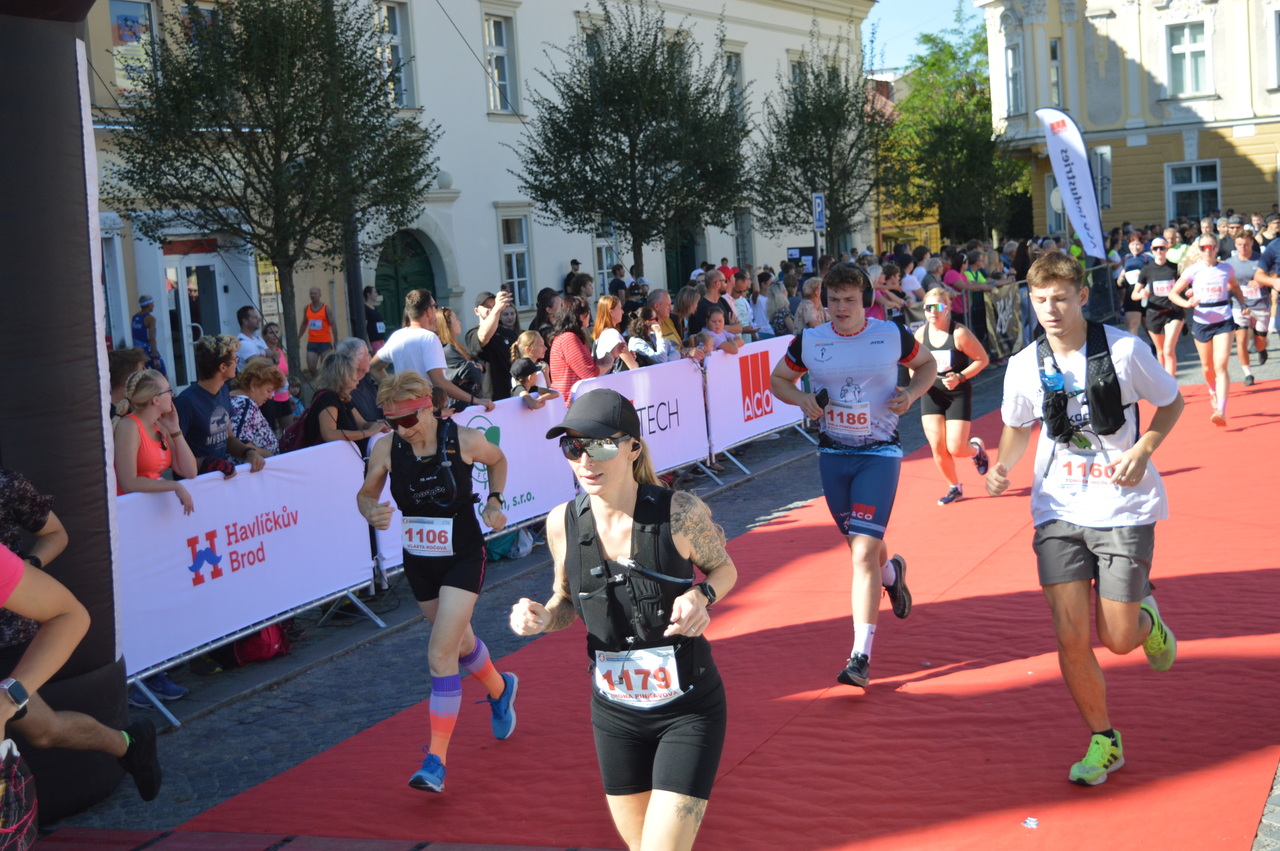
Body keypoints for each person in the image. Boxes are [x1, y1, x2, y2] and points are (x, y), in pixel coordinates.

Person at [985, 251, 1183, 787]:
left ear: (1082, 297)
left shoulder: (1124, 350)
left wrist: (1143, 448)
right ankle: (1104, 739)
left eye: (1060, 299)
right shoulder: (1024, 364)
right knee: (1070, 635)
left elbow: (1171, 402)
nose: (1050, 310)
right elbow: (1017, 425)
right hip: (1057, 509)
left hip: (1123, 506)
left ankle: (1147, 620)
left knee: (1117, 638)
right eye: (1040, 300)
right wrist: (1002, 465)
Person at [509, 389, 737, 851]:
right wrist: (542, 617)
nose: (585, 460)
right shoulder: (561, 523)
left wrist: (702, 595)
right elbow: (565, 600)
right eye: (573, 446)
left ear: (633, 448)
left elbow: (724, 569)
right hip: (615, 715)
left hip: (687, 710)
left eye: (600, 446)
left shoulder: (679, 512)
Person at [770, 263, 937, 688]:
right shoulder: (810, 340)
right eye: (834, 300)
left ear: (865, 299)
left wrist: (911, 393)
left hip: (880, 454)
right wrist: (802, 399)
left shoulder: (891, 334)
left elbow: (927, 365)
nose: (842, 307)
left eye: (849, 299)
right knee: (862, 544)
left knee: (862, 553)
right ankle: (892, 575)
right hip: (832, 455)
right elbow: (779, 380)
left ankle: (860, 657)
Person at [357, 371, 516, 794]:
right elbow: (365, 494)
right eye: (392, 422)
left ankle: (436, 762)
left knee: (440, 653)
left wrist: (495, 501)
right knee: (460, 644)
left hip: (463, 555)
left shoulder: (463, 440)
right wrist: (370, 511)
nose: (400, 430)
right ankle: (501, 689)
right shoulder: (387, 448)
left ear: (428, 407)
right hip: (419, 561)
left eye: (407, 421)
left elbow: (498, 460)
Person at [0, 474, 162, 802]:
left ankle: (130, 744)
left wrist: (27, 567)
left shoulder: (7, 484)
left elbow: (55, 534)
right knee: (42, 729)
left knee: (44, 731)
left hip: (11, 630)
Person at [915, 288, 991, 505]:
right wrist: (917, 384)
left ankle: (975, 450)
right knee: (937, 446)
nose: (933, 311)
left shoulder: (958, 333)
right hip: (931, 394)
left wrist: (960, 376)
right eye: (928, 307)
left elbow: (982, 359)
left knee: (956, 448)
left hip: (957, 393)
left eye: (938, 307)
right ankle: (954, 487)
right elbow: (913, 365)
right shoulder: (920, 334)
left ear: (947, 308)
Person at [371, 289, 495, 412]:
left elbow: (373, 367)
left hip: (407, 412)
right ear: (429, 311)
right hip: (429, 413)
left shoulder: (397, 336)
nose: (436, 310)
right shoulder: (429, 338)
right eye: (435, 306)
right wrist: (475, 400)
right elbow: (439, 382)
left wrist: (396, 392)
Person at [1169, 235, 1247, 426]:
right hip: (1202, 322)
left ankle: (1221, 410)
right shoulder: (1193, 270)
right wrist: (1187, 303)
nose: (1207, 251)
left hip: (1224, 321)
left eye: (1211, 247)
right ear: (1199, 249)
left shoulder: (1226, 269)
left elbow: (1235, 287)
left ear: (1216, 248)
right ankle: (1212, 391)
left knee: (1221, 365)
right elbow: (1173, 293)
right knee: (1207, 366)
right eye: (1203, 247)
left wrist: (1243, 304)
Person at [174, 335, 267, 477]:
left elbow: (228, 438)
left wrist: (248, 452)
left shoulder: (223, 390)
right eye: (235, 360)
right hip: (195, 481)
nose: (237, 363)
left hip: (220, 477)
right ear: (223, 367)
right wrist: (209, 464)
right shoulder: (186, 402)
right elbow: (174, 454)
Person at [304, 351, 388, 451]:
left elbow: (361, 423)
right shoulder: (327, 398)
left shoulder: (343, 397)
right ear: (342, 379)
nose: (355, 385)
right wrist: (367, 433)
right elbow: (329, 434)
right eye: (353, 380)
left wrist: (377, 426)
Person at [1131, 237, 1183, 376]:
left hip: (1173, 312)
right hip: (1154, 313)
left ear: (1167, 249)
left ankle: (1171, 383)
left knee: (1168, 350)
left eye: (1162, 248)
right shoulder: (1146, 270)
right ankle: (1164, 382)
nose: (1159, 251)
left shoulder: (1175, 268)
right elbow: (1134, 294)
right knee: (1160, 352)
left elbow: (1186, 286)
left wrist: (1188, 293)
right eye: (1155, 248)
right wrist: (1141, 294)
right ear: (1151, 250)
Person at [549, 296, 615, 403]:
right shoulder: (568, 339)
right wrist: (607, 364)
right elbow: (589, 374)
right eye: (587, 312)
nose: (589, 316)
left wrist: (601, 361)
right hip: (570, 403)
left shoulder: (570, 337)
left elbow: (583, 367)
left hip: (574, 401)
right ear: (580, 316)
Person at [1225, 234, 1268, 386]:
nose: (1243, 248)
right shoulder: (1229, 263)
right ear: (1235, 245)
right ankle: (1248, 374)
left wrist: (1263, 282)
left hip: (1260, 305)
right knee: (1241, 340)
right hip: (1240, 306)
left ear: (1251, 243)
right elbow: (1224, 282)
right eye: (1239, 245)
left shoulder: (1261, 260)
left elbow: (1273, 275)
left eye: (1246, 245)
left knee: (1260, 342)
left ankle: (1262, 350)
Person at [466, 290, 518, 401]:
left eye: (493, 305)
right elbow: (484, 337)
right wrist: (496, 309)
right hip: (490, 397)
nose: (491, 309)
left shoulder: (509, 334)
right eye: (486, 306)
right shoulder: (472, 334)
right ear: (477, 311)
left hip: (512, 392)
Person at [230, 356, 286, 456]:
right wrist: (272, 457)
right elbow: (240, 445)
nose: (270, 396)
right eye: (268, 391)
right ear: (253, 385)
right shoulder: (246, 405)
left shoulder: (231, 398)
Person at [437, 307, 486, 406]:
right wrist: (474, 367)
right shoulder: (447, 350)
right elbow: (475, 374)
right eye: (455, 319)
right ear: (447, 325)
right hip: (463, 403)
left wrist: (476, 365)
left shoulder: (457, 347)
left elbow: (477, 360)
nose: (459, 322)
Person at [336, 337, 382, 425]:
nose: (370, 358)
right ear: (354, 360)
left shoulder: (364, 381)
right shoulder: (343, 390)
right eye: (367, 354)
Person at [261, 323, 294, 433]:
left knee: (289, 431)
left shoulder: (280, 351)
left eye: (276, 332)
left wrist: (290, 395)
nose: (275, 335)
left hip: (284, 396)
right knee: (272, 431)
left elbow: (285, 374)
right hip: (271, 397)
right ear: (264, 336)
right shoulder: (263, 353)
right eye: (271, 333)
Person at [298, 286, 336, 379]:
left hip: (325, 342)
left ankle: (325, 383)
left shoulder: (326, 308)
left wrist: (336, 340)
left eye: (315, 293)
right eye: (311, 293)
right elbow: (304, 323)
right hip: (312, 342)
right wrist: (298, 337)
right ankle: (317, 382)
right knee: (311, 368)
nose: (313, 295)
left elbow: (333, 324)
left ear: (320, 295)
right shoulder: (307, 308)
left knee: (325, 368)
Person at [108, 346, 148, 423]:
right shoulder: (104, 416)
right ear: (125, 377)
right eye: (142, 370)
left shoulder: (136, 408)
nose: (147, 373)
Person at [131, 295, 166, 375]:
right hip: (148, 351)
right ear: (149, 305)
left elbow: (133, 335)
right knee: (163, 376)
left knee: (141, 377)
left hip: (138, 352)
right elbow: (152, 338)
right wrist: (155, 357)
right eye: (152, 303)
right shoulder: (150, 318)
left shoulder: (135, 317)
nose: (153, 305)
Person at [235, 305, 268, 370]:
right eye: (254, 318)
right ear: (245, 321)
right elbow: (259, 366)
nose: (259, 319)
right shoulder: (243, 343)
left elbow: (274, 355)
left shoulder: (259, 339)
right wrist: (272, 360)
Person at [364, 286, 388, 353]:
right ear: (368, 294)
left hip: (381, 339)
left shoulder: (375, 308)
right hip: (373, 341)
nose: (376, 294)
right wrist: (368, 344)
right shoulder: (365, 308)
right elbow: (364, 327)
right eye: (374, 292)